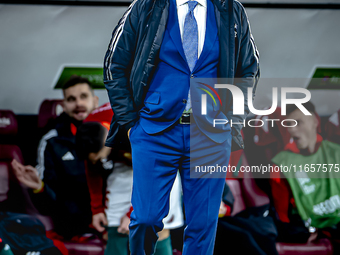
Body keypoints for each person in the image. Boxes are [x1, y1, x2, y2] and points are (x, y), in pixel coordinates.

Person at [103, 0, 259, 254]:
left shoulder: (231, 8)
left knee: (203, 226)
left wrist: (232, 121)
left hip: (211, 134)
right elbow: (113, 65)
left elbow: (249, 69)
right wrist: (130, 123)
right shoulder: (145, 5)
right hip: (154, 132)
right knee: (146, 219)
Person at [76, 103, 184, 255]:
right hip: (124, 160)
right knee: (115, 225)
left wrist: (133, 215)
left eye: (99, 157)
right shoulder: (90, 128)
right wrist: (97, 210)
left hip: (161, 163)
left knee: (156, 228)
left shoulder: (138, 128)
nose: (98, 161)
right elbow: (92, 168)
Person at [12, 75, 99, 240]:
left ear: (95, 101)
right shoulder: (51, 140)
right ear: (64, 105)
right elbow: (48, 201)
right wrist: (39, 187)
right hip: (74, 226)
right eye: (71, 99)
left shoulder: (112, 135)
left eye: (83, 97)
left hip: (114, 221)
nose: (78, 103)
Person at [269, 102, 340, 243]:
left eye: (298, 122)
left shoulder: (335, 152)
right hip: (313, 227)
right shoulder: (280, 164)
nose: (292, 130)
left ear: (315, 121)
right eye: (289, 124)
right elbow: (282, 212)